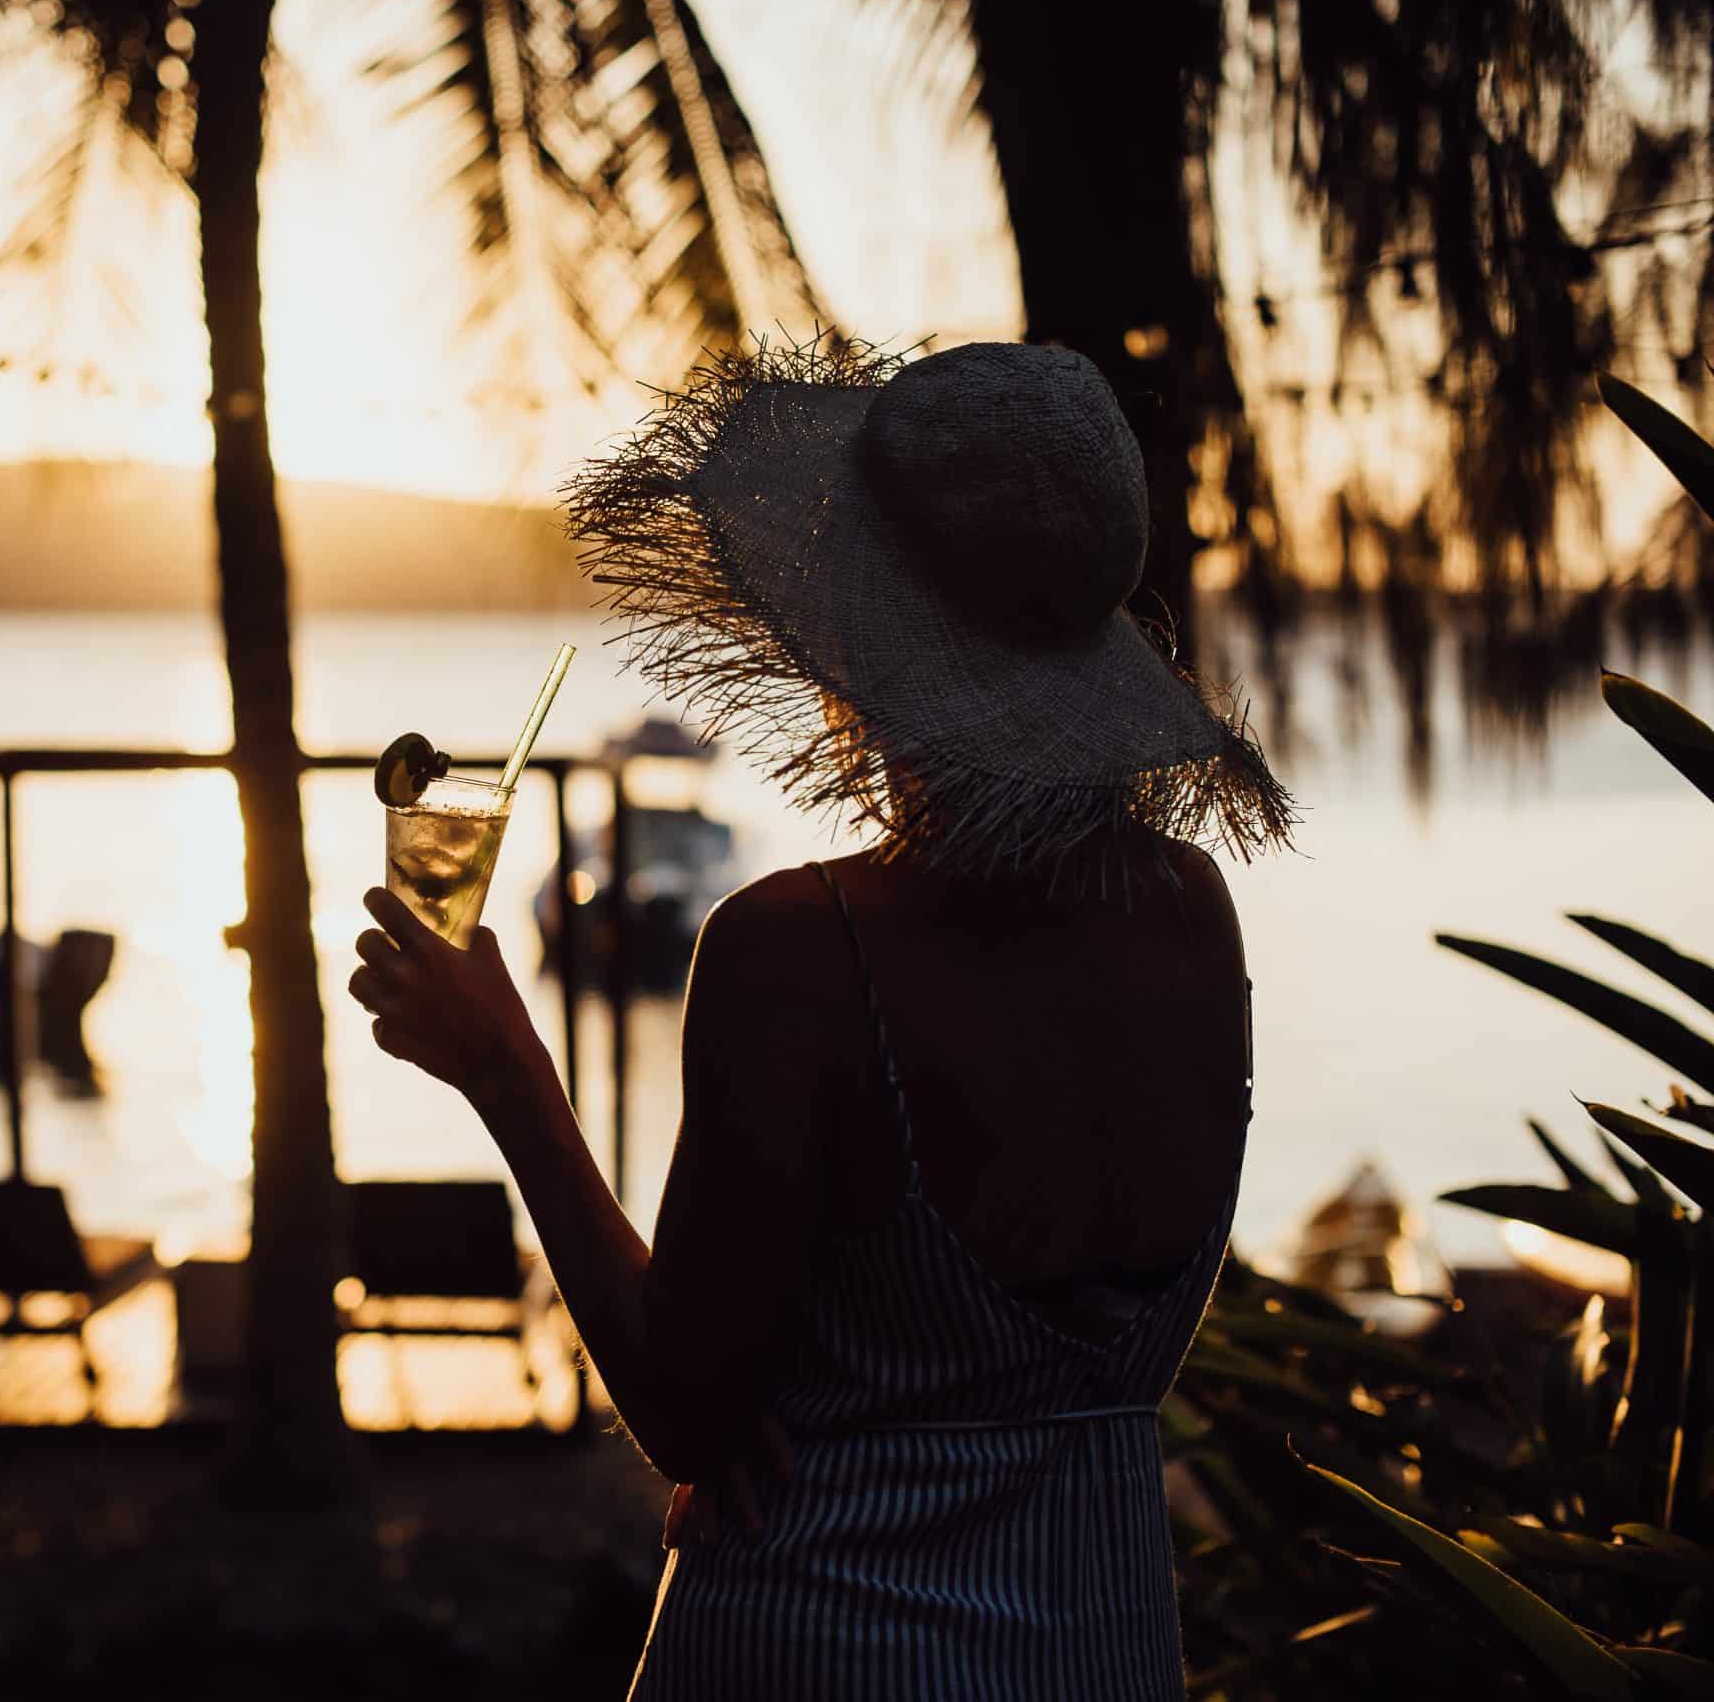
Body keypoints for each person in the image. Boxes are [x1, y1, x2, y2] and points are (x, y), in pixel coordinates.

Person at [348, 338, 1294, 1699]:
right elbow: (1040, 1352)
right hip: (1102, 1646)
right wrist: (797, 1396)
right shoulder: (1195, 915)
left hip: (816, 1642)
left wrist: (508, 1071)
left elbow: (684, 1407)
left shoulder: (802, 952)